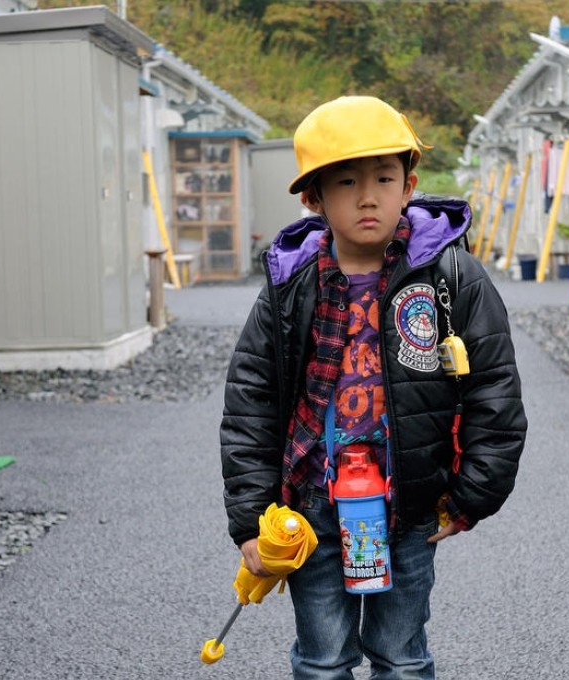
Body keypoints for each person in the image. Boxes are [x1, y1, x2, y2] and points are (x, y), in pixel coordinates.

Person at [219, 95, 527, 679]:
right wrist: (252, 516)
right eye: (347, 182)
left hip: (409, 504)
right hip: (311, 508)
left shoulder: (451, 276)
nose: (368, 196)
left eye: (384, 178)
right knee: (323, 658)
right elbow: (249, 403)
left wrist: (468, 499)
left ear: (408, 185)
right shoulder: (291, 286)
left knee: (402, 657)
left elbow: (495, 393)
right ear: (314, 198)